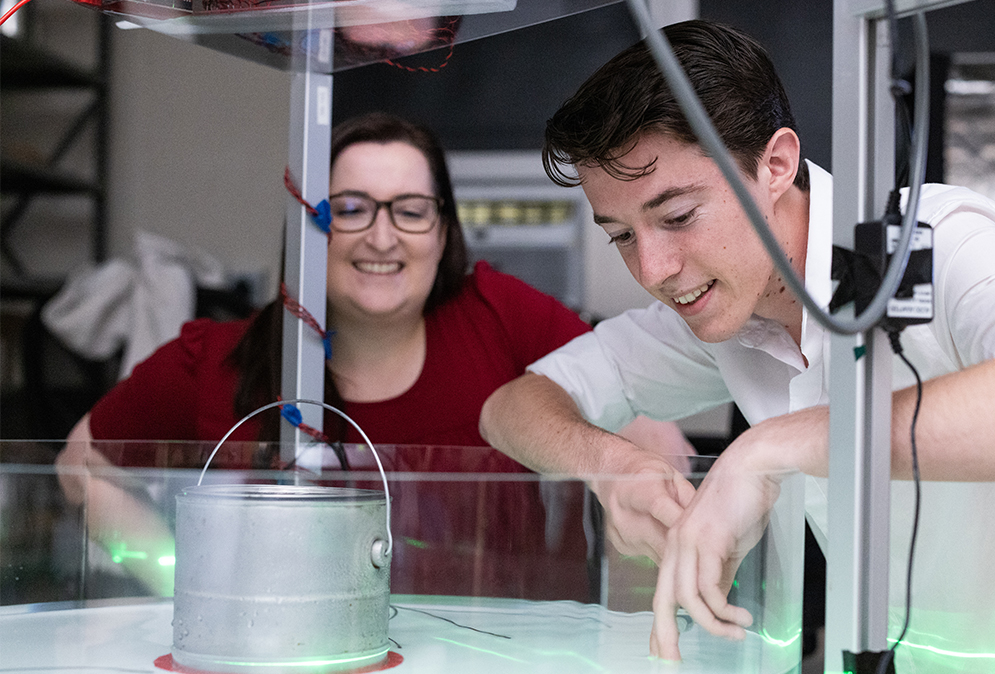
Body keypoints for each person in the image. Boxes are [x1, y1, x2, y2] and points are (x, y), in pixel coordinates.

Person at [479, 20, 995, 673]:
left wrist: (772, 445)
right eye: (623, 235)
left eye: (679, 215)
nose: (655, 270)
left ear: (777, 163)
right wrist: (610, 466)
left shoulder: (928, 238)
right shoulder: (719, 306)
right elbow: (512, 407)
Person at [55, 112, 692, 601]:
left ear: (444, 233)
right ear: (307, 227)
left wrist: (629, 625)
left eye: (411, 211)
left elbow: (652, 434)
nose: (382, 237)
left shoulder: (501, 315)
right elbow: (80, 465)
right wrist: (181, 582)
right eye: (351, 210)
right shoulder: (215, 359)